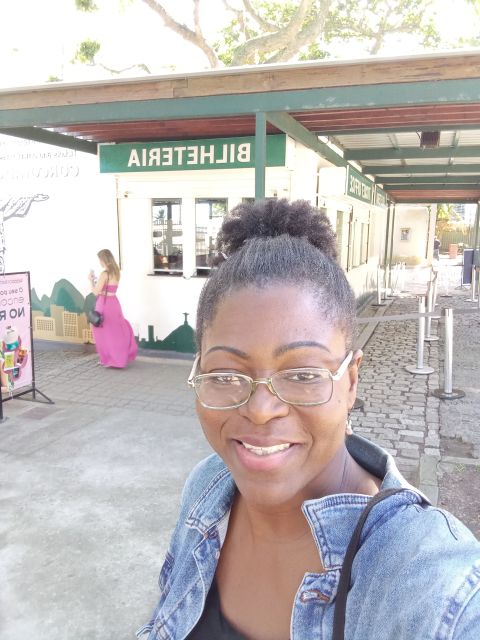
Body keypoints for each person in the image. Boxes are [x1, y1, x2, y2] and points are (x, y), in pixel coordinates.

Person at [137, 200, 480, 640]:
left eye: (303, 374)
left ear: (351, 380)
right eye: (225, 374)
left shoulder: (431, 584)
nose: (260, 410)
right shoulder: (207, 489)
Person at [88, 249, 137, 368]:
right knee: (115, 332)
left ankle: (107, 359)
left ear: (103, 259)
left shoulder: (104, 274)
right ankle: (119, 358)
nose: (99, 262)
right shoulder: (116, 272)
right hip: (114, 303)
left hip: (104, 305)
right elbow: (108, 288)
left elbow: (95, 292)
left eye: (99, 259)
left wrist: (90, 280)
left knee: (101, 332)